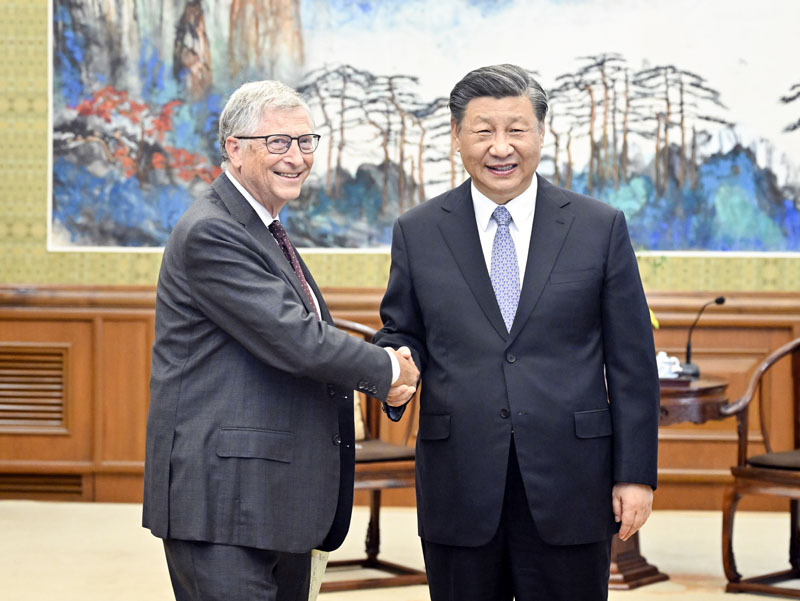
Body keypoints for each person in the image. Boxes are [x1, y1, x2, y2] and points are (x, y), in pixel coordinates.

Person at [373, 64, 660, 601]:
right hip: (459, 479)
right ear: (457, 136)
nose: (501, 147)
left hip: (571, 478)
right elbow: (402, 331)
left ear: (541, 134)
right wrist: (393, 366)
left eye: (516, 130)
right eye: (483, 131)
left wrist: (635, 474)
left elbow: (632, 363)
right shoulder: (418, 230)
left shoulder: (598, 226)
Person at [142, 80, 418, 601]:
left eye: (305, 141)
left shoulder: (261, 227)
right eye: (278, 142)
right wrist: (388, 371)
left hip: (272, 495)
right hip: (223, 504)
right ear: (234, 148)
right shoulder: (212, 231)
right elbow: (297, 339)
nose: (296, 157)